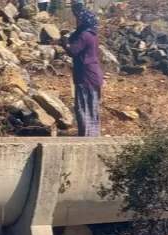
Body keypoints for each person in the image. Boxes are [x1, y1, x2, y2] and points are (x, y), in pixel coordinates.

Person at [65, 0, 103, 137]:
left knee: (83, 107)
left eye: (79, 19)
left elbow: (72, 52)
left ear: (84, 21)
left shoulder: (84, 35)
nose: (77, 21)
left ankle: (86, 135)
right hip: (94, 74)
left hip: (85, 75)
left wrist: (64, 44)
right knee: (92, 108)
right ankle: (92, 135)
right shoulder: (92, 34)